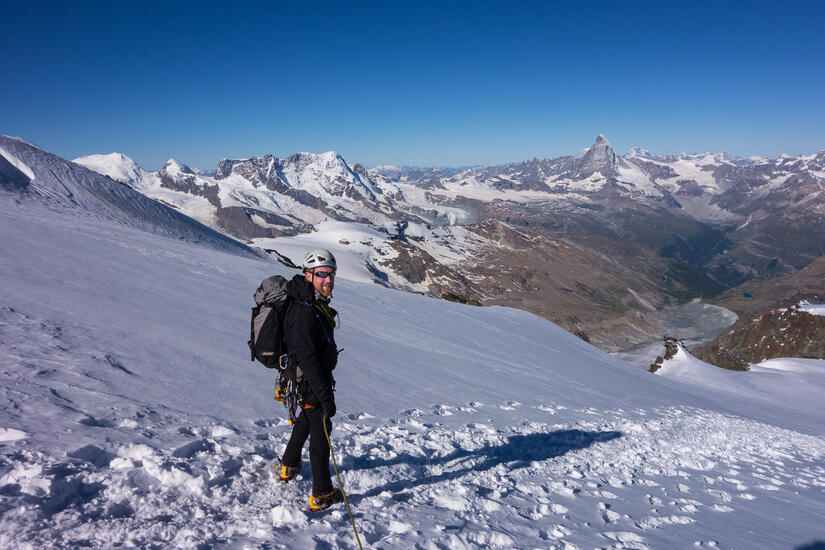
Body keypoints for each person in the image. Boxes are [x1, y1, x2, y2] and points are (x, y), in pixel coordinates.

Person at [279, 248, 343, 511]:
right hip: (310, 382)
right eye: (322, 275)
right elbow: (307, 357)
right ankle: (322, 493)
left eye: (331, 274)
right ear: (308, 275)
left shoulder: (310, 303)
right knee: (321, 435)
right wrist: (325, 396)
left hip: (305, 381)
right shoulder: (304, 310)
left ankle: (289, 464)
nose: (328, 280)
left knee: (306, 421)